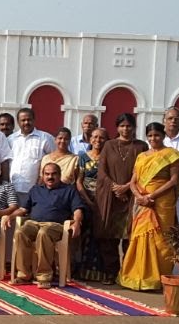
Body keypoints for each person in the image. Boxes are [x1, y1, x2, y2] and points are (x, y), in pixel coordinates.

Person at [118, 123, 179, 292]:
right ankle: (137, 276)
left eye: (156, 135)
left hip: (162, 202)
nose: (153, 139)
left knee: (161, 239)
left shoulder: (171, 155)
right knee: (139, 237)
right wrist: (139, 196)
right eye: (149, 136)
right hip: (141, 202)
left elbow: (173, 181)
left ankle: (158, 278)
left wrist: (151, 196)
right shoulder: (142, 156)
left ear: (163, 136)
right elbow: (134, 180)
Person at [13, 162, 86, 288]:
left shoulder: (68, 190)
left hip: (55, 226)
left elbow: (77, 209)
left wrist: (77, 222)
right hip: (33, 223)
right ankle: (24, 274)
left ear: (59, 175)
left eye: (53, 174)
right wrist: (9, 216)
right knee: (20, 232)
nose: (50, 177)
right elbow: (23, 209)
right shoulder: (36, 189)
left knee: (43, 233)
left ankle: (44, 276)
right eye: (47, 174)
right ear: (42, 175)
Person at [95, 113, 147, 280]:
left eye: (129, 126)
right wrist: (115, 188)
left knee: (129, 237)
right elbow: (102, 171)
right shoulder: (109, 145)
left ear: (134, 127)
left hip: (132, 197)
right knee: (108, 237)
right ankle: (111, 272)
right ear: (117, 128)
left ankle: (127, 273)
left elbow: (142, 171)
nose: (126, 129)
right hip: (110, 198)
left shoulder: (141, 146)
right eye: (122, 126)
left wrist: (126, 188)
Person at [73, 127, 110, 282]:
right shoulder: (82, 157)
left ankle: (103, 272)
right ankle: (81, 271)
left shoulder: (109, 157)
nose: (97, 140)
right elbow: (79, 182)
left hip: (105, 201)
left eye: (101, 137)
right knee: (85, 235)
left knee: (102, 236)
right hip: (86, 199)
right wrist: (88, 201)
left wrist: (102, 200)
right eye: (95, 137)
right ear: (90, 139)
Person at [8, 107, 56, 207]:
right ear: (18, 122)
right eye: (23, 120)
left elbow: (53, 159)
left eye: (29, 119)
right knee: (13, 217)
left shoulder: (45, 138)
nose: (26, 122)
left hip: (35, 187)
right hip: (13, 188)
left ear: (34, 120)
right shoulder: (11, 139)